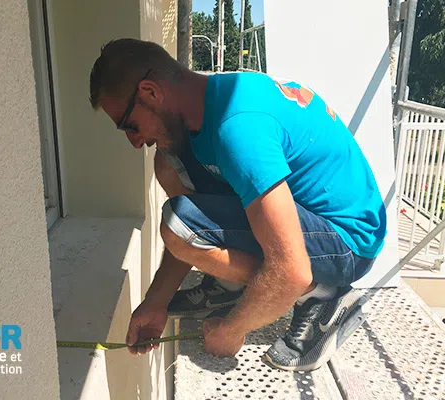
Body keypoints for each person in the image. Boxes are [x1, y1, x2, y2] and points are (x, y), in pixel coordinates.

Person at [88, 38, 386, 371]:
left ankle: (323, 297)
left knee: (179, 224)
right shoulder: (209, 108)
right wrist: (156, 303)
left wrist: (233, 329)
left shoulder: (238, 127)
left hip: (348, 239)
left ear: (150, 92)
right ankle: (229, 284)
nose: (134, 142)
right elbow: (201, 220)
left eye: (130, 125)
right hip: (311, 217)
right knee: (168, 165)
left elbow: (291, 269)